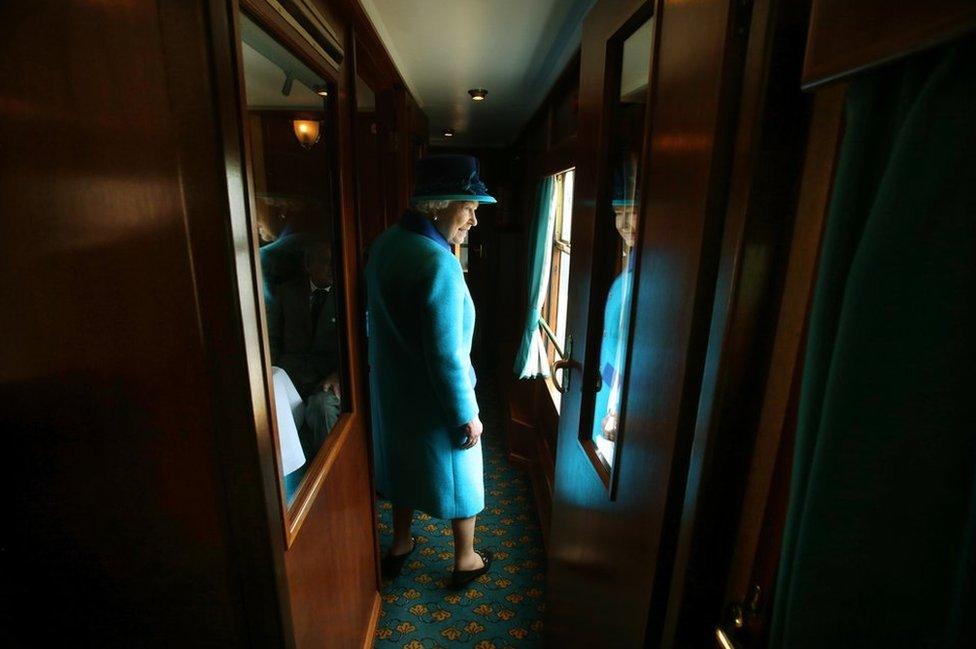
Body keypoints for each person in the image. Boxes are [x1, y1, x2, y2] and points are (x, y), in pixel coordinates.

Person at [365, 154, 496, 589]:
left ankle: (400, 544)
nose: (474, 221)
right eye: (469, 208)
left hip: (392, 391)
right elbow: (448, 355)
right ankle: (466, 559)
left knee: (402, 468)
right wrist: (466, 413)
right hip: (437, 398)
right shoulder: (438, 263)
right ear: (439, 204)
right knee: (463, 476)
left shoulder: (386, 244)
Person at [267, 240, 342, 456]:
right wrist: (272, 373)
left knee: (322, 408)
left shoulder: (347, 292)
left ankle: (329, 474)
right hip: (289, 376)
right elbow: (271, 337)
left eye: (333, 262)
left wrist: (340, 375)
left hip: (327, 380)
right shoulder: (286, 293)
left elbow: (362, 344)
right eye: (325, 262)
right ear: (308, 265)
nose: (332, 267)